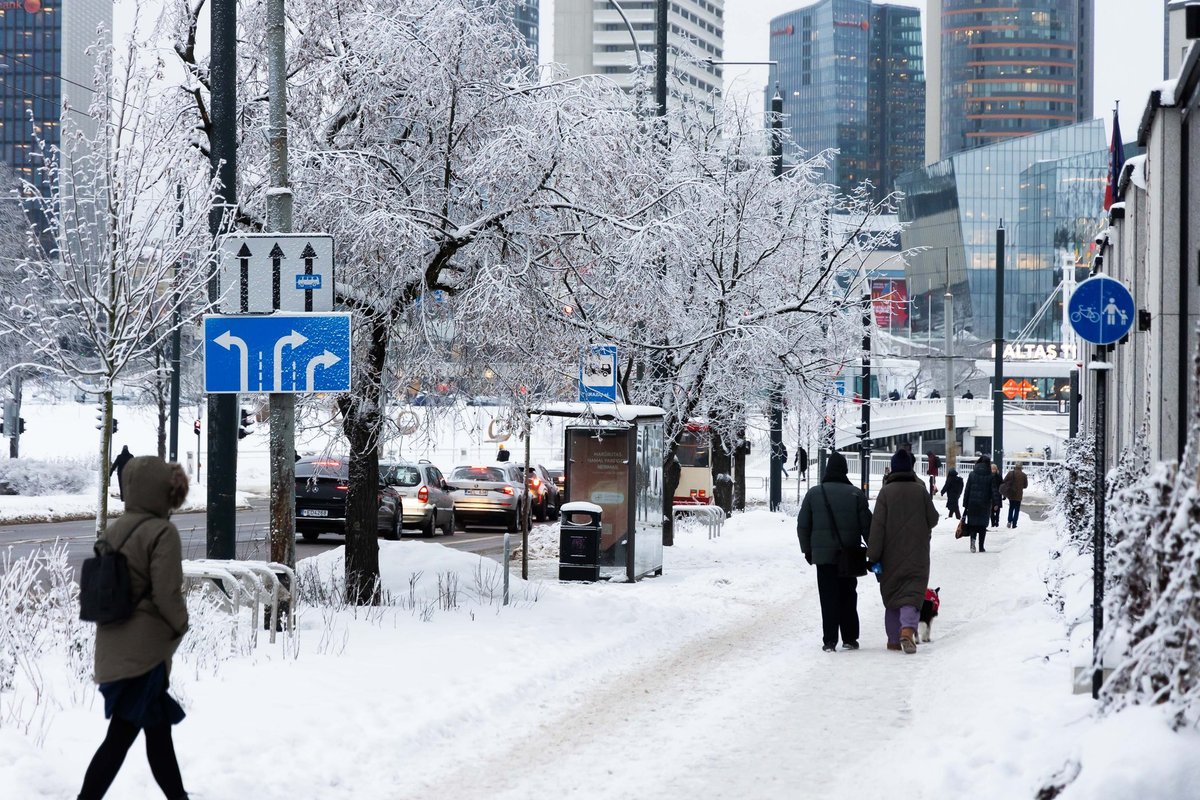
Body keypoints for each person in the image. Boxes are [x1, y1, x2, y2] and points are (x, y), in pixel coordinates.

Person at [79, 456, 191, 800]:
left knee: (155, 734)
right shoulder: (162, 532)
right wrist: (181, 623)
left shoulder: (115, 529)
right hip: (144, 655)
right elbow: (166, 593)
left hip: (113, 646)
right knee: (122, 737)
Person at [797, 452, 872, 653]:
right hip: (849, 556)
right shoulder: (856, 494)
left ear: (828, 469)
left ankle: (830, 640)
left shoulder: (814, 494)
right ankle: (849, 637)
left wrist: (808, 551)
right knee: (848, 595)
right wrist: (874, 550)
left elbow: (803, 526)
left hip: (823, 558)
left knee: (828, 597)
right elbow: (868, 528)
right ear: (845, 470)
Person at [866, 449, 939, 654]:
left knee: (893, 595)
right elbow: (932, 518)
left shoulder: (886, 492)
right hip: (917, 553)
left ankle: (893, 640)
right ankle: (907, 629)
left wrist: (873, 555)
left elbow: (877, 527)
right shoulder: (920, 490)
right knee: (912, 594)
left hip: (891, 555)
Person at [962, 456, 994, 552]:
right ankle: (981, 546)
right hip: (984, 504)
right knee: (982, 526)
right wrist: (996, 502)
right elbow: (993, 491)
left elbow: (967, 489)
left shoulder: (972, 474)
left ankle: (972, 542)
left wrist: (965, 503)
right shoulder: (990, 476)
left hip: (972, 503)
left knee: (973, 524)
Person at [1002, 463, 1029, 528]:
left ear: (1015, 467)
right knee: (1017, 509)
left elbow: (1004, 481)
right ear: (1021, 468)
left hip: (1011, 494)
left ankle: (1009, 521)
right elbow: (1025, 486)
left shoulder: (1010, 473)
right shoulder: (1024, 475)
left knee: (1011, 508)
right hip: (1019, 495)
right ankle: (1014, 524)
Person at [989, 462, 1003, 528]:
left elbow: (1002, 485)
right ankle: (993, 522)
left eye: (994, 469)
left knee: (997, 510)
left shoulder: (999, 476)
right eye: (992, 469)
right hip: (991, 495)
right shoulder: (989, 476)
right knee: (991, 510)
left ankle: (996, 522)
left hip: (998, 494)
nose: (993, 470)